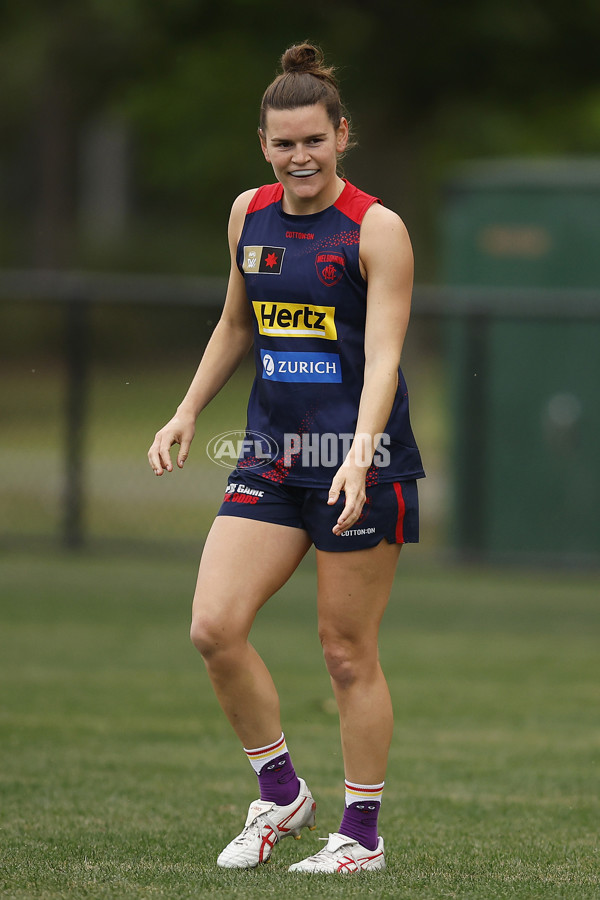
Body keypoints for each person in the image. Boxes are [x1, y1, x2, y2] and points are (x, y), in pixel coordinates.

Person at [148, 42, 424, 874]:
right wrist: (188, 409)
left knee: (345, 654)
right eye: (283, 142)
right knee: (213, 627)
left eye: (314, 139)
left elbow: (382, 358)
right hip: (271, 452)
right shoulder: (248, 214)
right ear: (263, 144)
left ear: (343, 134)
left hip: (357, 462)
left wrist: (360, 454)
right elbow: (237, 323)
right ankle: (279, 794)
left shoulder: (377, 230)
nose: (299, 156)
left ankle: (361, 838)